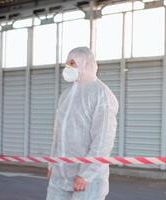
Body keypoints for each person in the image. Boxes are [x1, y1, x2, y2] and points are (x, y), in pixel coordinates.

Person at [46, 47, 119, 200]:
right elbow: (58, 134)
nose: (68, 68)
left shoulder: (101, 94)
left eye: (73, 64)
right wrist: (52, 163)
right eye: (67, 64)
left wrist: (87, 174)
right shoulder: (66, 96)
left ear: (85, 65)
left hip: (87, 180)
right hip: (60, 174)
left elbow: (103, 138)